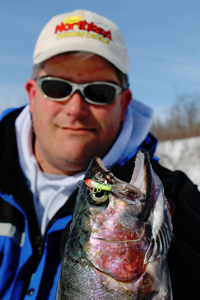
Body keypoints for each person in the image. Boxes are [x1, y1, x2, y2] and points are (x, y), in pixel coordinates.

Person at [0, 9, 199, 300]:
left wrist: (178, 244)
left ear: (123, 103)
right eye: (57, 88)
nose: (75, 108)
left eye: (98, 92)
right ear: (32, 94)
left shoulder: (179, 199)